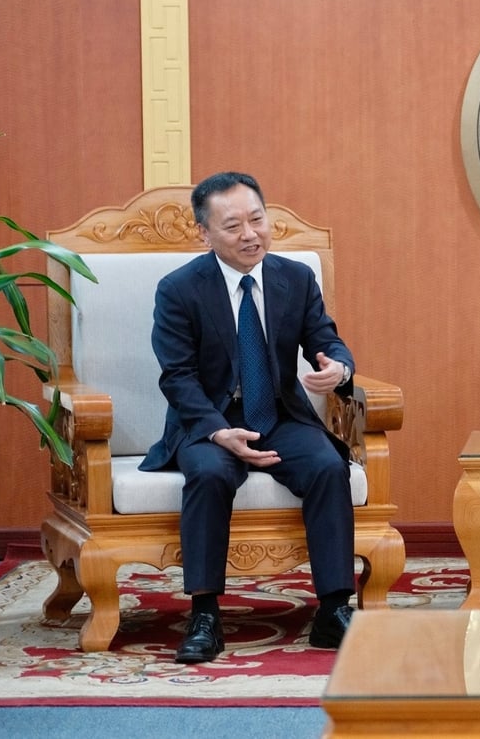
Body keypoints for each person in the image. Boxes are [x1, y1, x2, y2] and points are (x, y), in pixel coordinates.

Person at [140, 171, 358, 664]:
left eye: (257, 220)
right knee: (210, 474)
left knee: (327, 467)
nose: (250, 234)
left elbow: (325, 339)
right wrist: (218, 431)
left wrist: (337, 367)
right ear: (204, 233)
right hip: (208, 421)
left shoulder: (295, 278)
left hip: (278, 414)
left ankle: (332, 610)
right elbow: (177, 376)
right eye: (233, 225)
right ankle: (204, 614)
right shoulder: (179, 290)